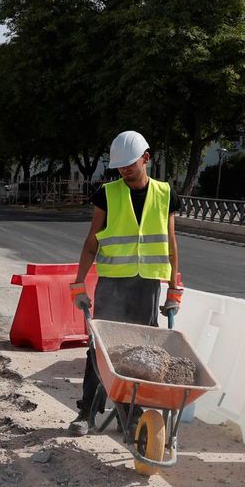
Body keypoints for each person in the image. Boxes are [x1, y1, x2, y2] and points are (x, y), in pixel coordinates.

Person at [67, 131, 182, 435]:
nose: (124, 170)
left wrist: (174, 289)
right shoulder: (107, 193)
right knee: (99, 349)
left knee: (139, 352)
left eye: (129, 164)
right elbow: (92, 241)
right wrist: (79, 285)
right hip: (112, 284)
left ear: (146, 158)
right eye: (120, 166)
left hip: (146, 286)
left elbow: (171, 243)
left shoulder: (165, 193)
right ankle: (87, 413)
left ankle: (129, 415)